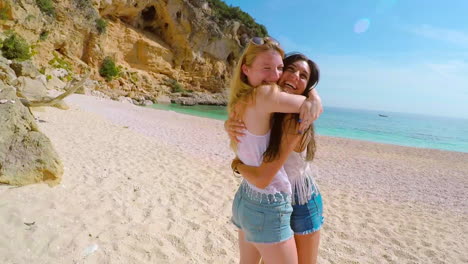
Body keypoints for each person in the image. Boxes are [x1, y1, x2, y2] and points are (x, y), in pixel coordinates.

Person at [228, 37, 319, 264]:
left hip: (301, 198)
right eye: (289, 69)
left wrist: (314, 95)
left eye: (304, 77)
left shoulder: (288, 115)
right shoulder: (269, 101)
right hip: (268, 199)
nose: (292, 77)